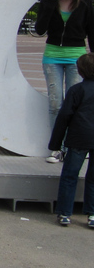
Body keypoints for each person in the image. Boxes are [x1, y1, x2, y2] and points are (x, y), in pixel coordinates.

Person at [35, 0, 94, 163]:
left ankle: (74, 146)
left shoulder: (85, 0)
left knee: (75, 103)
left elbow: (92, 29)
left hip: (76, 57)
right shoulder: (48, 0)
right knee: (55, 103)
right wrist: (51, 4)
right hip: (52, 56)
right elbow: (40, 29)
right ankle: (57, 148)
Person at [48, 52, 94, 228]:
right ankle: (91, 214)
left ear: (81, 72)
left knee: (70, 175)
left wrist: (56, 143)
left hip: (78, 137)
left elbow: (64, 116)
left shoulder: (76, 90)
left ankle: (65, 213)